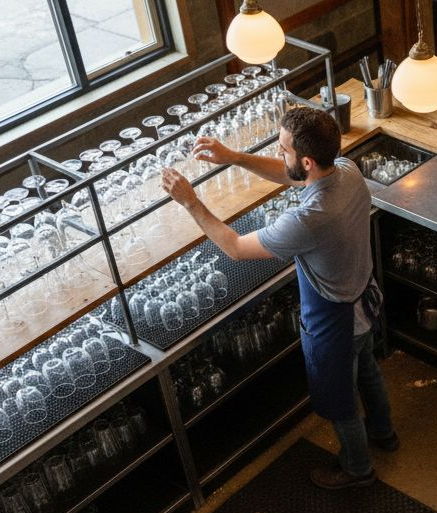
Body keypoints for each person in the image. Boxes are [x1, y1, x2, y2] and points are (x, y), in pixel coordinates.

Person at [161, 106, 398, 490]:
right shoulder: (347, 170)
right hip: (364, 300)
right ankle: (385, 434)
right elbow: (290, 174)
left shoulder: (309, 219)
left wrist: (190, 201)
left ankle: (358, 470)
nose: (278, 152)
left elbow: (235, 247)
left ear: (307, 161)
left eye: (283, 149)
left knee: (341, 403)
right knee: (367, 369)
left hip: (335, 321)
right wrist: (233, 157)